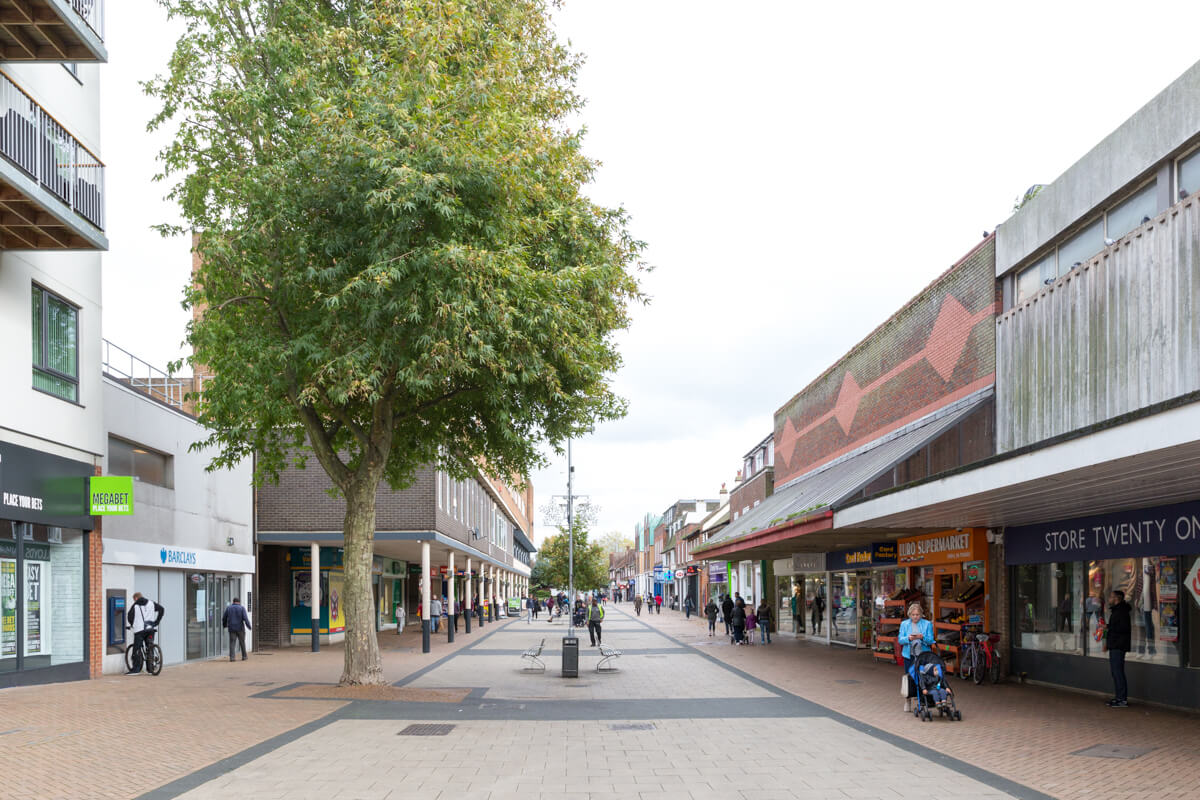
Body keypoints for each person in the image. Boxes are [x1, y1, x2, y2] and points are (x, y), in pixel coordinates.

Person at [897, 602, 933, 712]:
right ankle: (907, 701)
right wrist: (908, 638)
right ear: (909, 615)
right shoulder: (904, 624)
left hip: (923, 655)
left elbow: (931, 640)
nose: (915, 617)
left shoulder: (927, 624)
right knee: (910, 678)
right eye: (913, 615)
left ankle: (922, 700)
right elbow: (900, 640)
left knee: (923, 677)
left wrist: (923, 637)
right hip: (909, 655)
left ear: (921, 614)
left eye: (917, 614)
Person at [125, 592, 164, 675]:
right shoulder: (151, 603)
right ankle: (150, 669)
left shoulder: (135, 605)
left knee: (137, 649)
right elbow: (162, 609)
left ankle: (136, 669)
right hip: (150, 630)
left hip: (140, 631)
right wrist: (156, 622)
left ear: (135, 598)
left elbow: (130, 616)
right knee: (150, 647)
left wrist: (132, 625)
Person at [1106, 590, 1132, 708]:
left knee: (1118, 672)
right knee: (1115, 673)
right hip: (1115, 645)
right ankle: (1119, 697)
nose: (1109, 599)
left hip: (1118, 646)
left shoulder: (1121, 612)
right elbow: (1116, 627)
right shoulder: (1117, 611)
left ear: (1117, 598)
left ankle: (1122, 699)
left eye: (1111, 597)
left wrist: (1109, 628)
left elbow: (1122, 629)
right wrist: (1107, 627)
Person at [221, 596, 252, 661]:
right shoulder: (242, 608)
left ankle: (232, 658)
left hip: (232, 628)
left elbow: (224, 618)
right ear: (239, 602)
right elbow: (245, 619)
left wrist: (224, 625)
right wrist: (249, 626)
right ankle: (244, 656)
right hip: (240, 628)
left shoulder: (229, 608)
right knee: (242, 642)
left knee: (232, 643)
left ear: (233, 602)